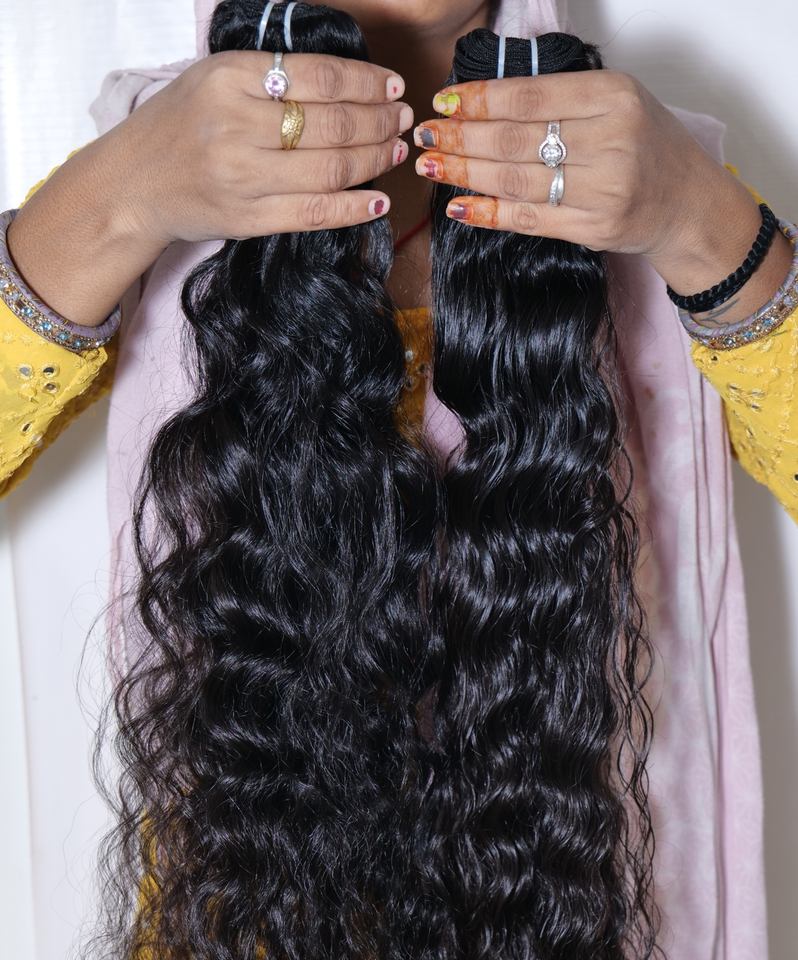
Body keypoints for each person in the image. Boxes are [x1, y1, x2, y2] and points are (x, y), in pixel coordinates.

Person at [0, 1, 795, 958]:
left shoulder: (659, 164)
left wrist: (703, 225)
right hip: (250, 918)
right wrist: (121, 198)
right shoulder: (157, 154)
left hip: (598, 908)